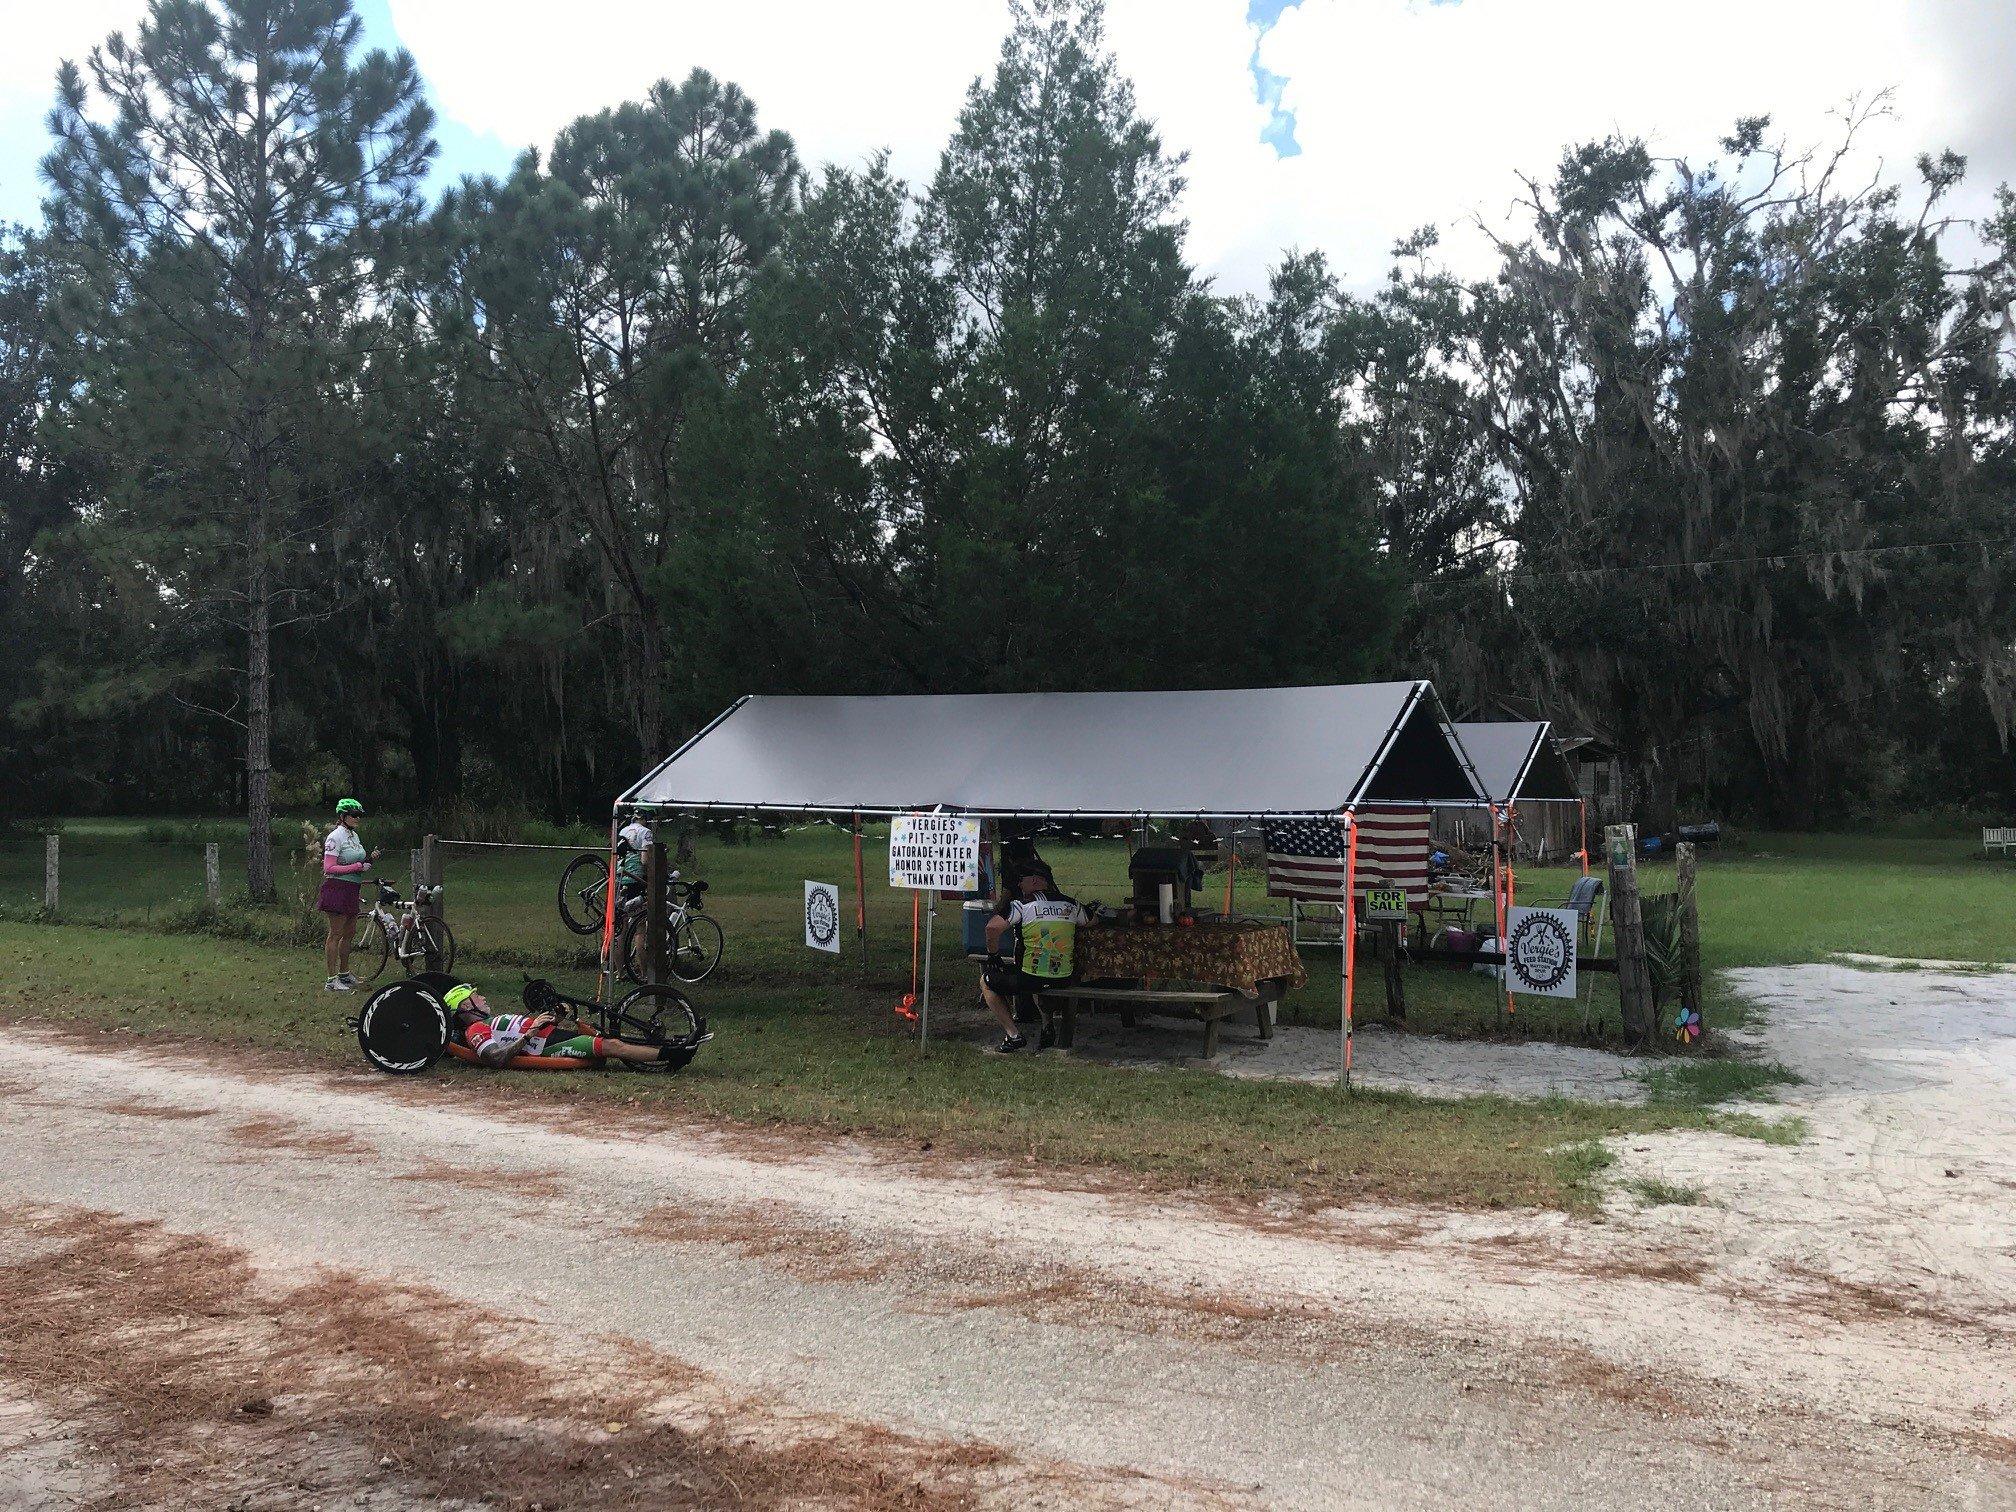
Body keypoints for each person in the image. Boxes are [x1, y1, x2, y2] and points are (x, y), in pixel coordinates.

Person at [980, 865, 1086, 1054]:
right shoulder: (1071, 904)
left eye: (1022, 879)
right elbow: (1092, 920)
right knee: (1037, 974)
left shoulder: (1022, 904)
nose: (1019, 884)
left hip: (1032, 977)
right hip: (1064, 977)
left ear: (1035, 881)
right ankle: (1047, 1026)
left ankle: (1013, 1036)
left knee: (987, 981)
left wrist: (994, 955)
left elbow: (991, 929)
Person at [442, 983, 682, 1066]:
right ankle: (671, 1054)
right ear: (465, 1007)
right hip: (545, 1045)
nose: (482, 998)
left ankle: (667, 1047)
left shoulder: (487, 1022)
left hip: (548, 1035)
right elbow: (494, 1057)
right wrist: (530, 1033)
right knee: (613, 1046)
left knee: (609, 1036)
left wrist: (554, 1017)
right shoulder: (475, 1030)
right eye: (476, 996)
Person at [319, 798, 379, 992]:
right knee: (335, 934)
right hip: (337, 888)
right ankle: (331, 979)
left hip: (353, 888)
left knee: (350, 933)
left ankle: (344, 974)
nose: (357, 818)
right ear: (343, 816)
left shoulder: (354, 836)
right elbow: (329, 867)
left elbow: (358, 862)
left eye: (359, 815)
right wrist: (357, 866)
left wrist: (369, 860)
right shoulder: (335, 837)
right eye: (354, 815)